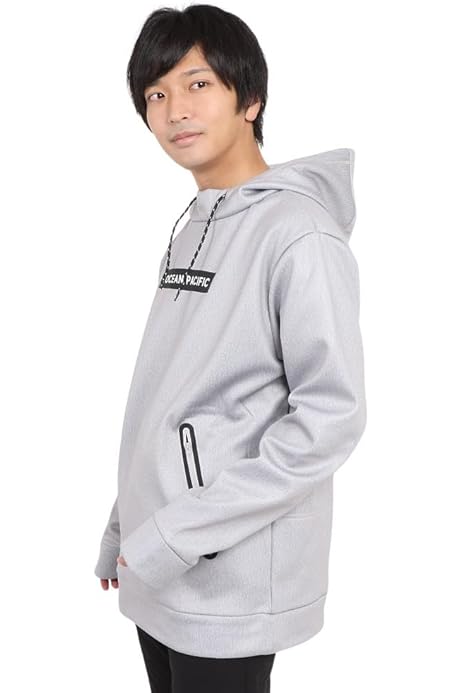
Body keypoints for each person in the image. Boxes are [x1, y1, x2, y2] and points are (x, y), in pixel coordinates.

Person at [94, 4, 367, 692]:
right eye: (156, 94)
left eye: (197, 84)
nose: (175, 110)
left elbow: (330, 417)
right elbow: (164, 395)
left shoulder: (298, 232)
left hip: (225, 575)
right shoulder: (193, 227)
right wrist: (125, 528)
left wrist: (175, 534)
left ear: (251, 99)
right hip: (160, 563)